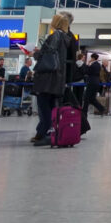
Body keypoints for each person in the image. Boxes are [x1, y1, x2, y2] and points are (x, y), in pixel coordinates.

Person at [30, 14, 70, 146]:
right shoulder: (65, 37)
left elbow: (48, 55)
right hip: (58, 78)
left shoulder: (54, 36)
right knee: (53, 106)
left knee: (43, 105)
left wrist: (35, 53)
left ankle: (46, 132)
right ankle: (49, 132)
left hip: (48, 78)